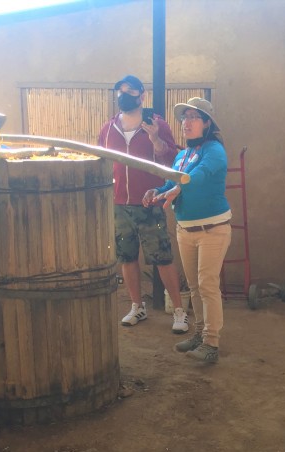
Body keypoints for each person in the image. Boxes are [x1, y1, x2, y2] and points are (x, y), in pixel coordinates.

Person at [97, 75, 189, 334]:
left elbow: (173, 159)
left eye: (129, 91)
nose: (123, 95)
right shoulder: (107, 128)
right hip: (119, 203)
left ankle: (179, 311)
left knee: (162, 257)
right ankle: (137, 306)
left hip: (150, 201)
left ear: (142, 96)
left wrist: (156, 139)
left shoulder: (156, 124)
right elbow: (101, 160)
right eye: (120, 91)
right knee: (127, 257)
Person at [144, 97, 230, 363]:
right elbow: (172, 180)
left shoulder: (214, 150)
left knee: (207, 285)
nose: (187, 122)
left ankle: (212, 343)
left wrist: (177, 187)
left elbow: (198, 175)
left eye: (193, 117)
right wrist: (156, 191)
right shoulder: (182, 155)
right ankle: (200, 334)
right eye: (184, 118)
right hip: (185, 229)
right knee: (194, 286)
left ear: (207, 123)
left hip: (212, 229)